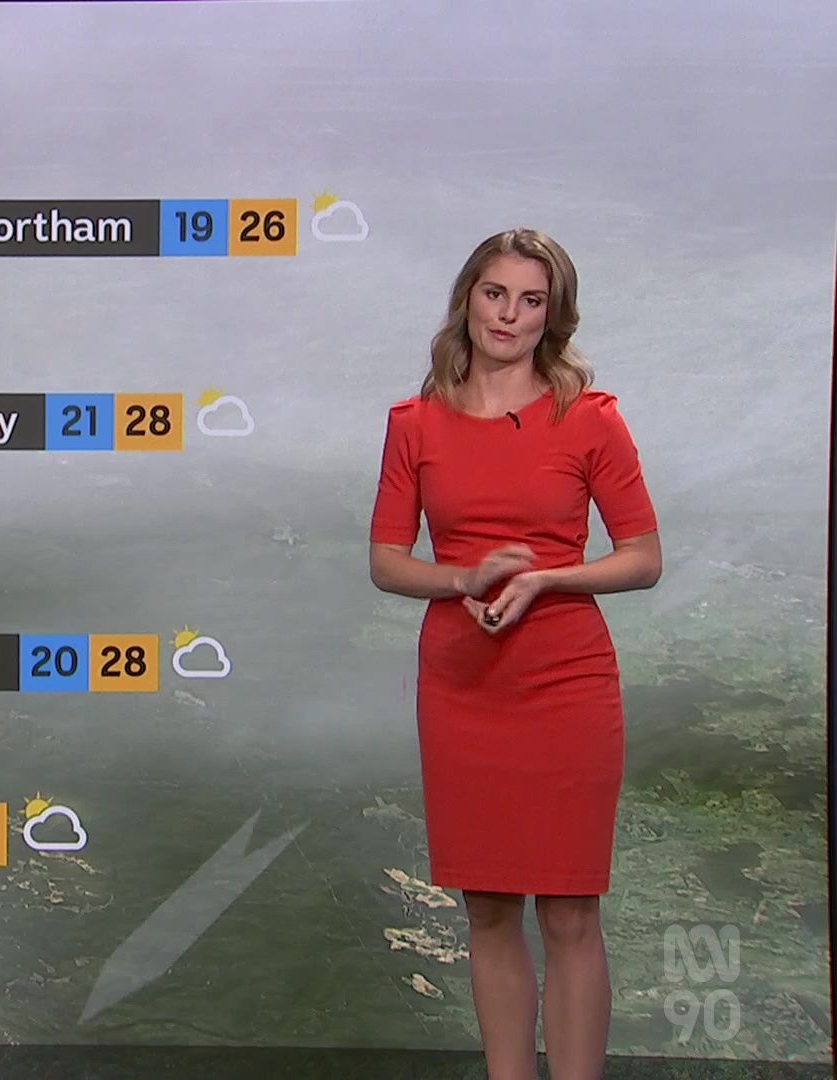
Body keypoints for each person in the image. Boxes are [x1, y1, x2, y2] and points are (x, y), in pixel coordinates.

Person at [367, 228, 663, 1080]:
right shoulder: (415, 424)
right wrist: (461, 577)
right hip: (463, 685)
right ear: (468, 298)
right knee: (489, 910)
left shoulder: (590, 421)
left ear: (552, 316)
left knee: (569, 913)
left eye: (531, 301)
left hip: (567, 681)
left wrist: (548, 579)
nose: (509, 315)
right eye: (495, 294)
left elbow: (643, 558)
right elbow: (386, 561)